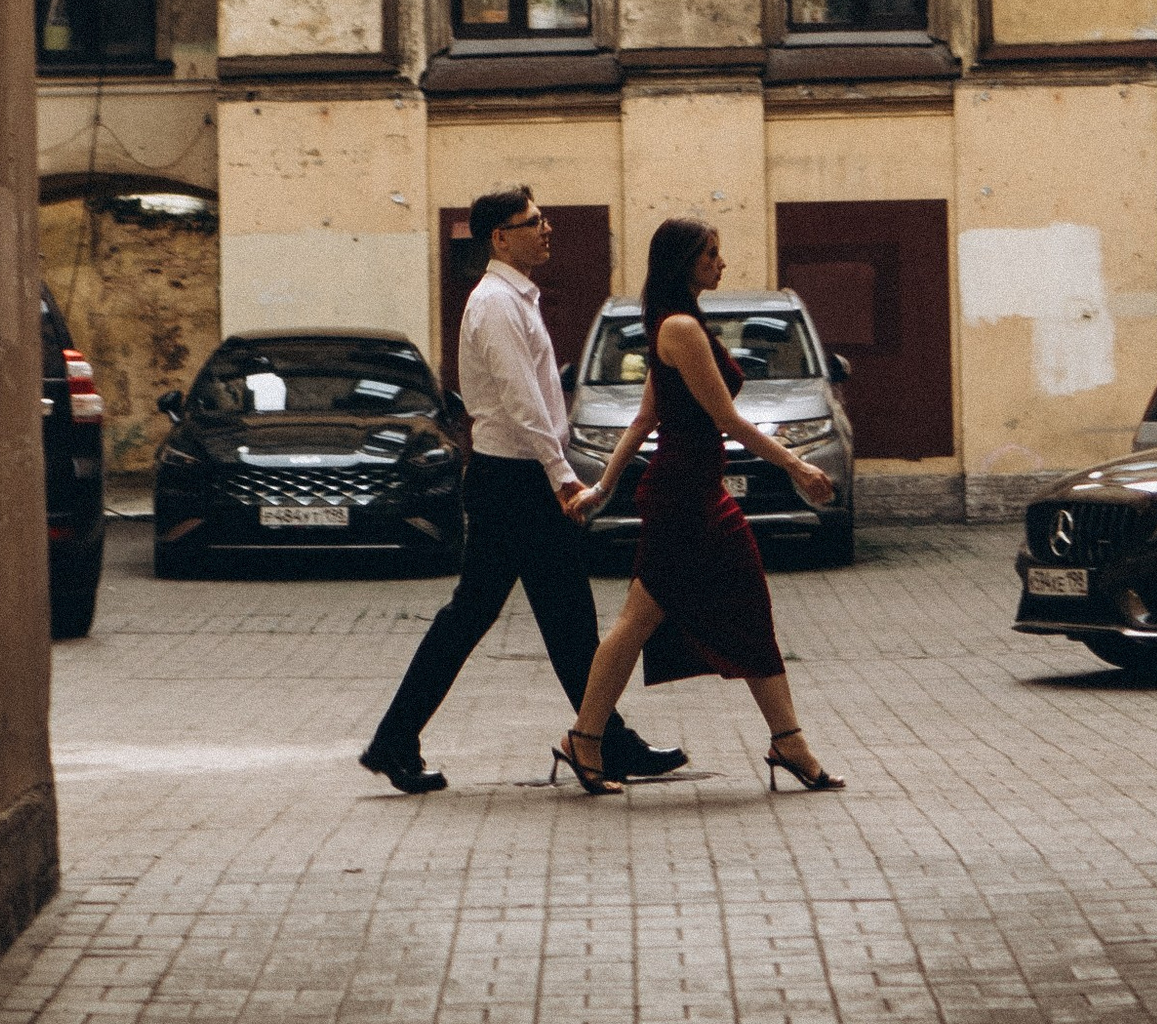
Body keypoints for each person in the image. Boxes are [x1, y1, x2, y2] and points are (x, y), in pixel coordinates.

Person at [358, 187, 690, 796]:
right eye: (531, 222)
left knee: (528, 617)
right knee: (543, 616)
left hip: (509, 479)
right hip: (515, 481)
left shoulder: (512, 299)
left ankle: (399, 740)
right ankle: (601, 742)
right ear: (499, 239)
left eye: (543, 218)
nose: (546, 229)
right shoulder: (495, 305)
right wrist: (562, 475)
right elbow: (523, 403)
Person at [559, 214, 844, 796]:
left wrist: (601, 490)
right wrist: (796, 466)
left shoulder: (676, 323)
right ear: (685, 261)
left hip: (693, 494)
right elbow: (727, 419)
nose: (722, 262)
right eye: (711, 252)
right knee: (639, 620)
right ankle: (584, 741)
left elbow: (645, 418)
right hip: (686, 499)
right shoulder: (682, 328)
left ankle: (786, 740)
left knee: (727, 611)